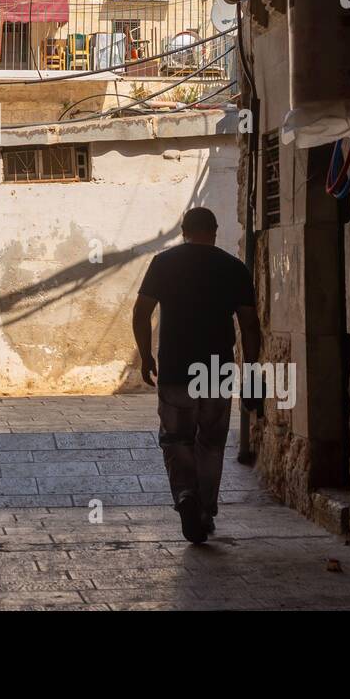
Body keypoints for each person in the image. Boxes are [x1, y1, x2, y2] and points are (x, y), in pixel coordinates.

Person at [132, 206, 261, 544]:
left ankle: (186, 494)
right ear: (215, 231)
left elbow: (141, 311)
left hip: (175, 368)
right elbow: (249, 324)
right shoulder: (234, 268)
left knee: (176, 438)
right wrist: (253, 370)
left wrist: (146, 356)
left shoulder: (164, 264)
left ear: (183, 229)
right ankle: (205, 508)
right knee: (211, 442)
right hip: (216, 371)